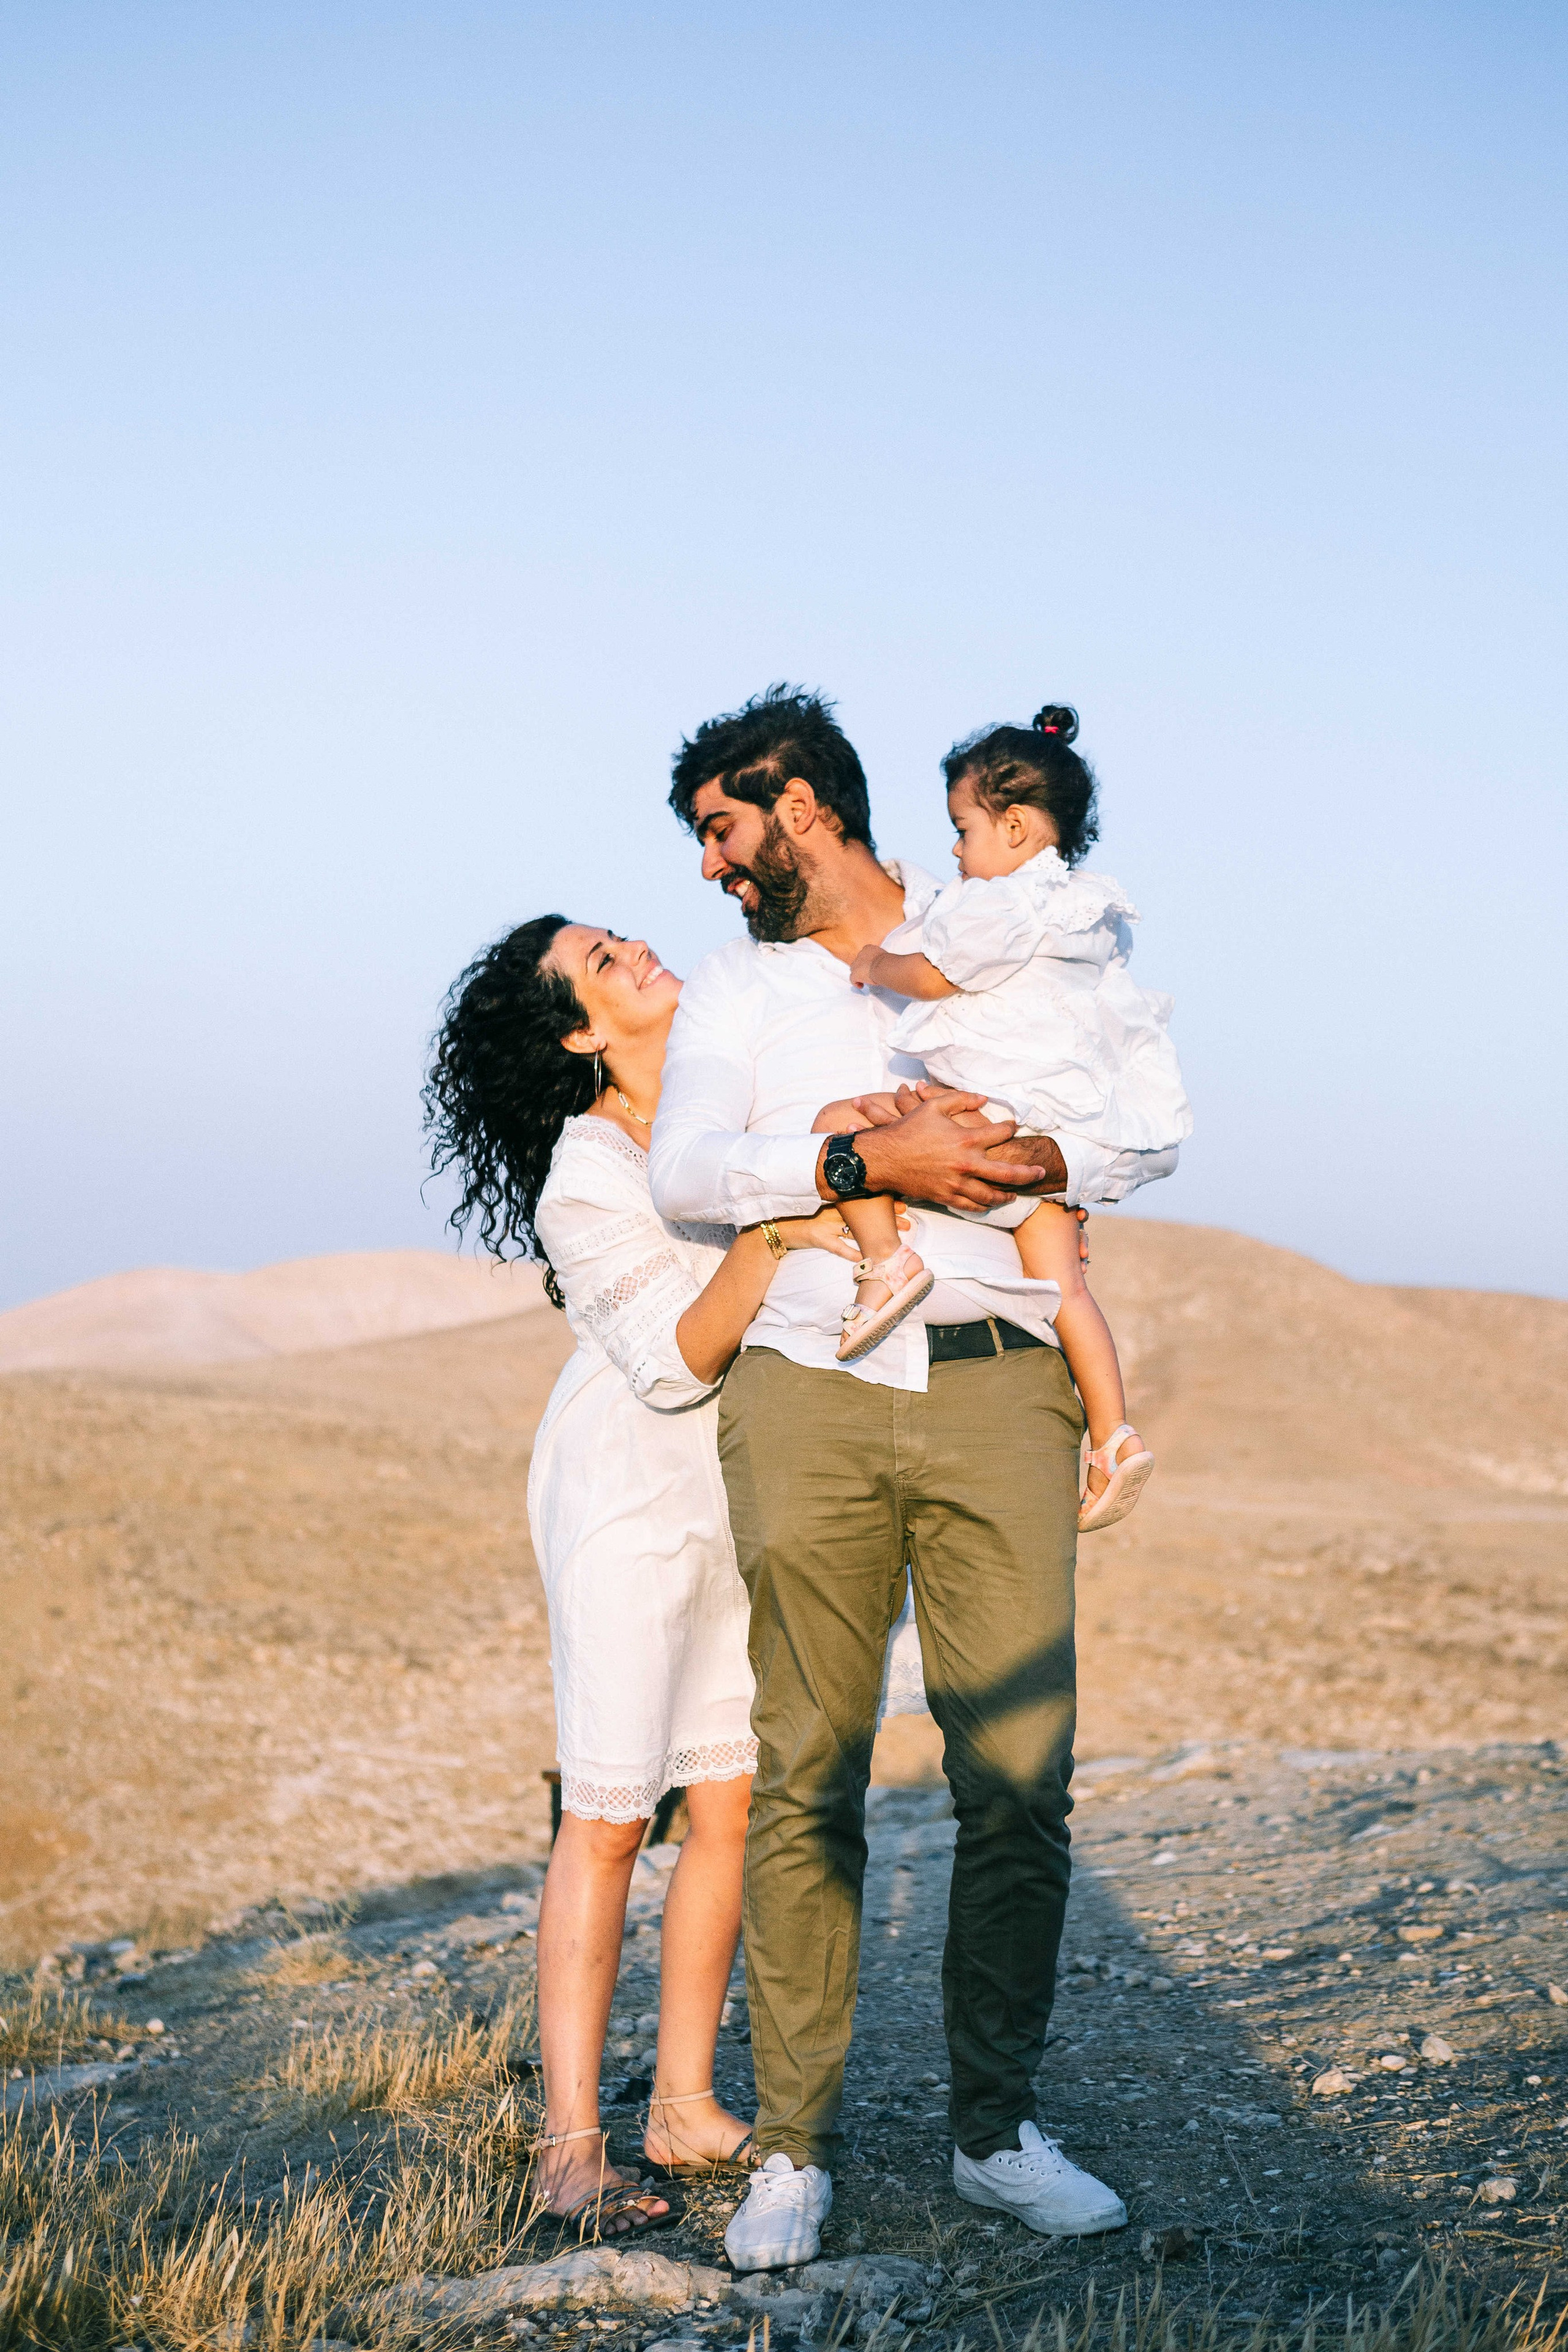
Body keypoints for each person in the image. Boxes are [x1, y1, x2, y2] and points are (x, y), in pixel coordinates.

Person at [649, 687, 1180, 2270]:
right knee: (807, 1771)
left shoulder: (1033, 935)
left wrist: (1038, 1162)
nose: (708, 868)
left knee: (1018, 1780)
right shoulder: (744, 998)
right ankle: (795, 2147)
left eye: (720, 829)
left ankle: (996, 2132)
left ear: (799, 805)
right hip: (807, 1391)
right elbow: (688, 1176)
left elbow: (1147, 1119)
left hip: (1005, 1391)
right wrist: (860, 1166)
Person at [424, 913, 861, 2238]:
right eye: (603, 966)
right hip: (623, 1497)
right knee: (610, 1816)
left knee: (726, 1802)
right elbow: (673, 1360)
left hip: (741, 1487)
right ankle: (569, 2148)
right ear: (577, 1032)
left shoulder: (730, 1101)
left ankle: (681, 2102)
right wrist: (779, 1231)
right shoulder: (589, 1169)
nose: (641, 958)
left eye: (626, 939)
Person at [839, 703, 1191, 1531]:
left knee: (846, 1126)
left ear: (1020, 826)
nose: (956, 850)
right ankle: (1113, 1436)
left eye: (963, 828)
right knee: (1067, 1286)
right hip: (1059, 1128)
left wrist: (871, 960)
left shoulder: (996, 904)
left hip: (990, 1115)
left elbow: (932, 976)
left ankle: (884, 1261)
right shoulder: (1087, 913)